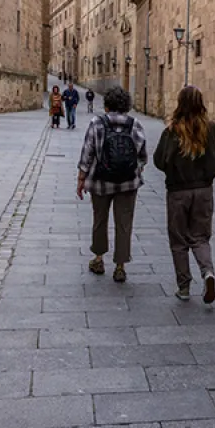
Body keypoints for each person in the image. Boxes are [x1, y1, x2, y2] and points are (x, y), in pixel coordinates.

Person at [154, 86, 215, 303]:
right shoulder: (212, 129)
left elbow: (159, 160)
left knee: (179, 240)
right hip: (203, 191)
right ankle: (208, 272)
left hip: (178, 192)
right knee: (200, 237)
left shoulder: (172, 131)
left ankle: (184, 287)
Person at [77, 86, 147, 284]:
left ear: (106, 105)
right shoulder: (136, 125)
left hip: (100, 182)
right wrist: (135, 168)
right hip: (127, 184)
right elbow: (142, 156)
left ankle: (98, 260)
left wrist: (81, 178)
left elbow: (87, 153)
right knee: (124, 223)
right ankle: (120, 266)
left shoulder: (96, 123)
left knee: (100, 219)